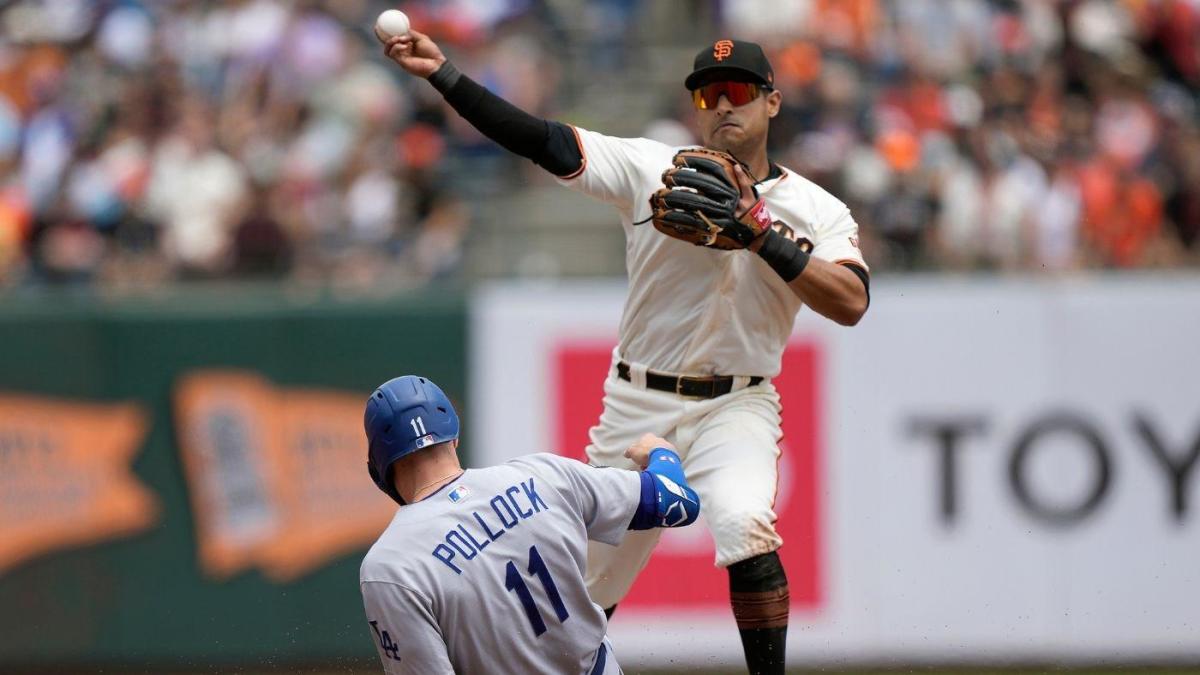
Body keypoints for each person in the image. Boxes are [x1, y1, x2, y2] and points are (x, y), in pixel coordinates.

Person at [382, 31, 870, 674]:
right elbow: (539, 138)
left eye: (740, 92)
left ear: (772, 102)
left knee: (746, 524)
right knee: (587, 591)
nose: (724, 105)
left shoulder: (814, 209)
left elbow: (851, 302)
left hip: (739, 402)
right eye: (709, 93)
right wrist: (445, 75)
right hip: (637, 402)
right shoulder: (650, 168)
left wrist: (761, 234)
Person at [359, 375, 700, 675]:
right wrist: (662, 454)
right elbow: (679, 503)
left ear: (379, 470)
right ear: (454, 436)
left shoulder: (389, 566)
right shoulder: (542, 474)